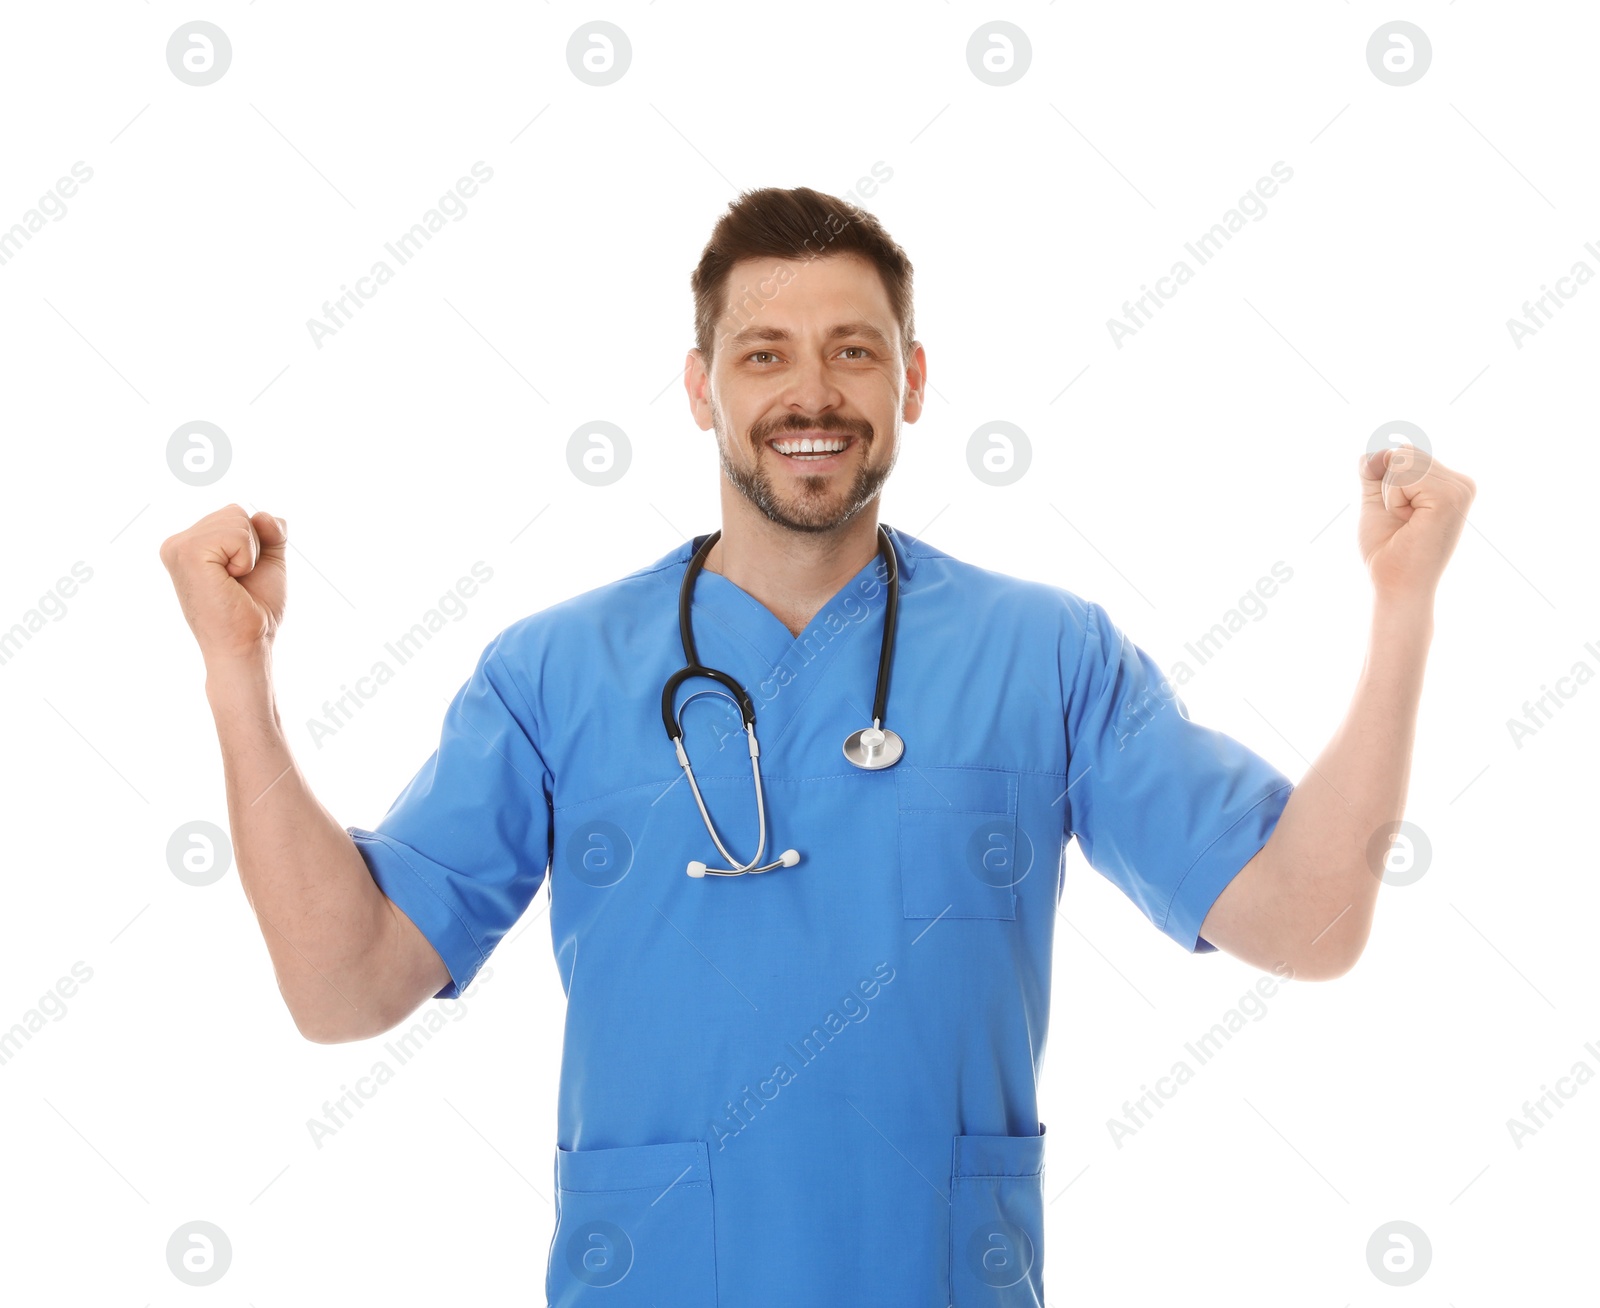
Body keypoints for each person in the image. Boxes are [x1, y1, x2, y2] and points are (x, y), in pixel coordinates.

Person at [158, 186, 1476, 1306]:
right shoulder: (553, 673)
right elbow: (345, 991)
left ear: (910, 380)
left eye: (854, 351)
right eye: (763, 352)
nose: (812, 391)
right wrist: (239, 675)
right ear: (700, 387)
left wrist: (1403, 606)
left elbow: (1311, 925)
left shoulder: (1046, 656)